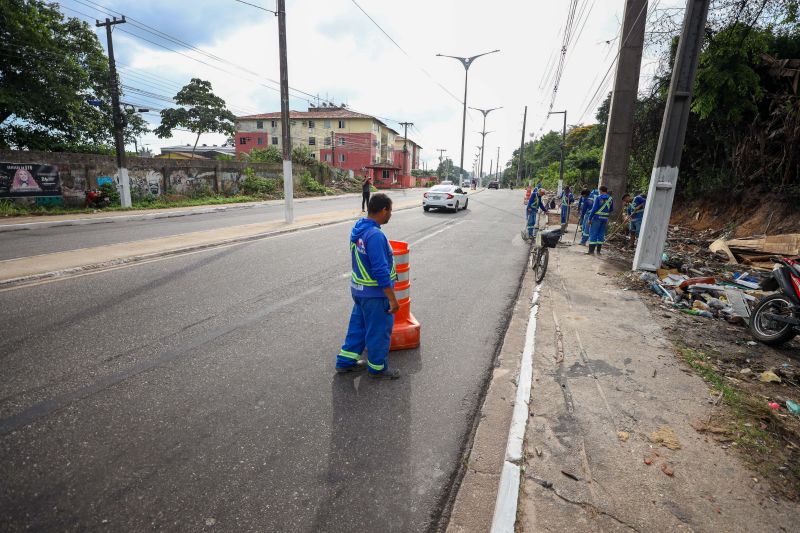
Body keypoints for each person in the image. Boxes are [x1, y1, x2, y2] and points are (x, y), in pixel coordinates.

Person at [336, 193, 401, 379]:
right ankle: (377, 368)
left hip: (358, 290)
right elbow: (381, 272)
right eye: (390, 211)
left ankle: (345, 362)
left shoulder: (359, 228)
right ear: (383, 210)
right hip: (375, 295)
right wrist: (392, 300)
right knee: (378, 332)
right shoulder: (375, 235)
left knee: (358, 327)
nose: (390, 215)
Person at [586, 185, 613, 255]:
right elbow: (611, 209)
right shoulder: (610, 199)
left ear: (600, 191)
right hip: (605, 219)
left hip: (597, 218)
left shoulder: (598, 198)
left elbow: (594, 209)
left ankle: (591, 251)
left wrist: (589, 218)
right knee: (601, 235)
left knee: (593, 234)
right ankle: (598, 252)